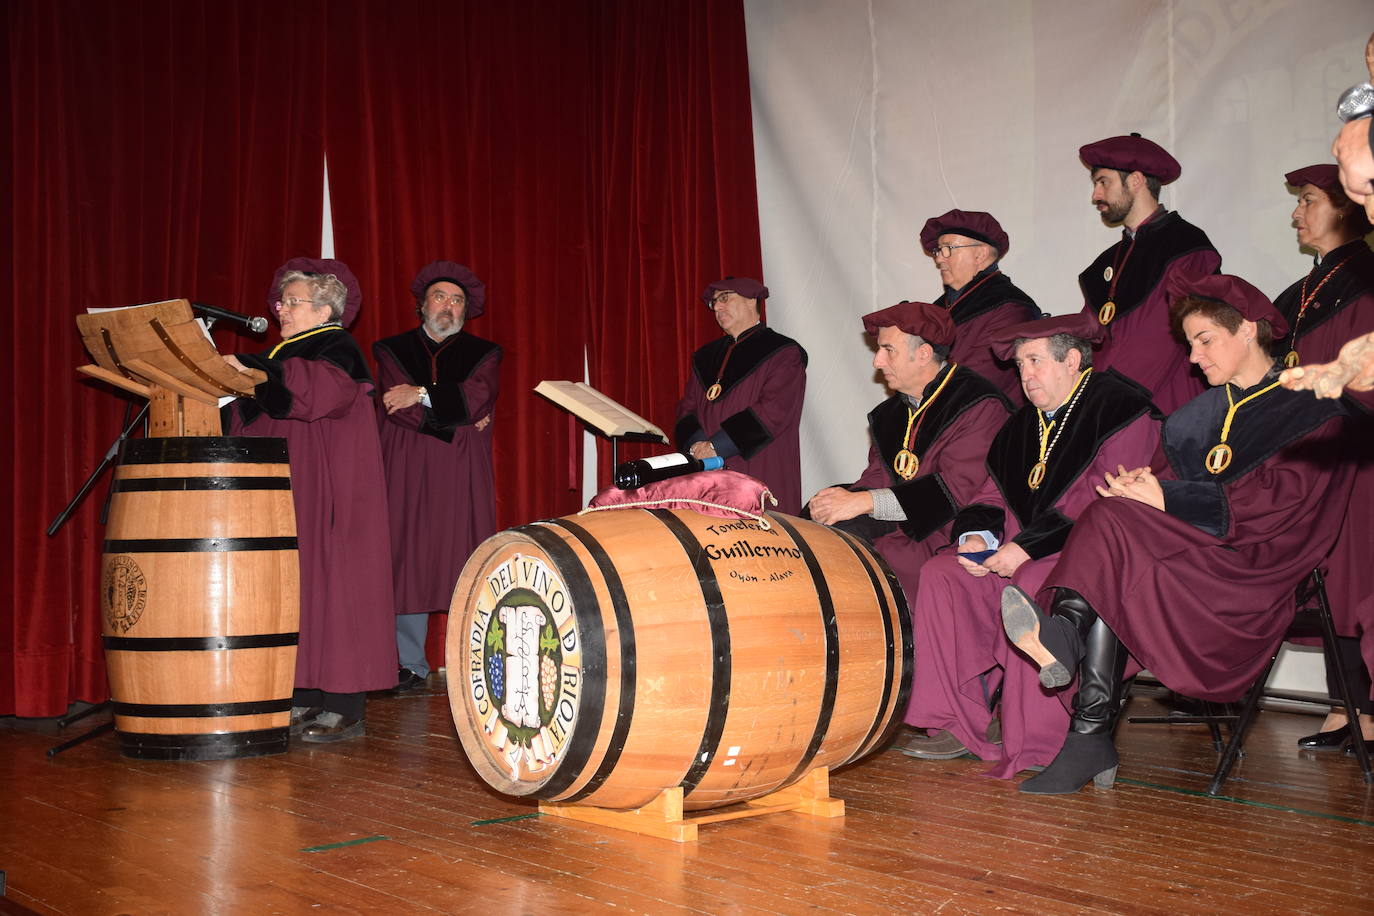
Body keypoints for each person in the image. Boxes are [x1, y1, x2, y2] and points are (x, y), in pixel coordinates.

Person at [1002, 274, 1355, 794]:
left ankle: (1068, 647)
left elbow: (1283, 507)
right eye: (1189, 343)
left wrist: (1166, 498)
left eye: (1205, 340)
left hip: (1254, 570)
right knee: (1113, 520)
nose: (1192, 357)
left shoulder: (1312, 408)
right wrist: (1144, 485)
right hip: (1187, 561)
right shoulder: (1194, 418)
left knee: (1113, 529)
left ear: (1251, 331)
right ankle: (1087, 728)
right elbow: (1163, 493)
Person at [899, 313, 1160, 764]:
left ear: (1073, 359)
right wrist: (976, 539)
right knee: (943, 572)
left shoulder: (1122, 409)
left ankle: (1040, 737)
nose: (1025, 375)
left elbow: (1106, 498)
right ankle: (958, 721)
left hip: (1091, 555)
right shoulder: (1022, 425)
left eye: (1035, 361)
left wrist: (1025, 548)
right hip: (1018, 551)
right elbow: (991, 494)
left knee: (1031, 580)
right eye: (1020, 365)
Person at [223, 258, 396, 742]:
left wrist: (257, 369)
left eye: (292, 302)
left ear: (325, 310)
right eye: (280, 302)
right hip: (291, 493)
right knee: (298, 590)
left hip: (334, 493)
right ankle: (302, 695)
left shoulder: (337, 347)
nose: (281, 309)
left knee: (338, 588)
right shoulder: (283, 355)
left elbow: (317, 393)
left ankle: (344, 704)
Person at [806, 300, 1009, 609]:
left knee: (853, 554)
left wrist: (865, 502)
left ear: (924, 354)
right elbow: (878, 475)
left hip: (946, 532)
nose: (877, 362)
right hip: (901, 523)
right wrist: (838, 501)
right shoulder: (893, 412)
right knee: (812, 525)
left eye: (889, 350)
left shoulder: (978, 405)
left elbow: (955, 490)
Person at [1272, 165, 1374, 751]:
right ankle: (1344, 705)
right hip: (1314, 454)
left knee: (1359, 571)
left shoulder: (1366, 278)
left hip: (1356, 453)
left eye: (1308, 201)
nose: (1296, 213)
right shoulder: (1303, 289)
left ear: (1344, 206)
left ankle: (1367, 711)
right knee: (1332, 573)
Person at [374, 261, 501, 692]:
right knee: (404, 555)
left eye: (457, 300)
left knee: (460, 553)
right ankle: (408, 663)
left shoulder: (484, 354)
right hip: (405, 463)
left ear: (466, 310)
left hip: (459, 471)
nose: (448, 306)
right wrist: (457, 422)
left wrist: (425, 393)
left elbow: (478, 398)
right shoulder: (391, 349)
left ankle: (472, 662)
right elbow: (397, 407)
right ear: (422, 304)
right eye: (440, 297)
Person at [1078, 133, 1221, 412]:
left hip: (1164, 405)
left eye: (1103, 182)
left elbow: (1165, 336)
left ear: (1136, 180)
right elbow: (1089, 336)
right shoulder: (1104, 264)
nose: (1096, 195)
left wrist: (1108, 404)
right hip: (1107, 409)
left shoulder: (1186, 246)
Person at [675, 276, 807, 514]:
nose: (717, 307)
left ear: (751, 301)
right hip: (707, 472)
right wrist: (699, 447)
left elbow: (773, 411)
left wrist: (716, 446)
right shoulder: (705, 357)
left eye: (724, 298)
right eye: (713, 302)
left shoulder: (782, 353)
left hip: (758, 466)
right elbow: (687, 408)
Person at [918, 209, 1041, 400]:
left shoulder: (1011, 308)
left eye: (948, 248)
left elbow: (977, 383)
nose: (939, 258)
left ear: (980, 254)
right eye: (938, 250)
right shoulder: (936, 309)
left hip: (988, 424)